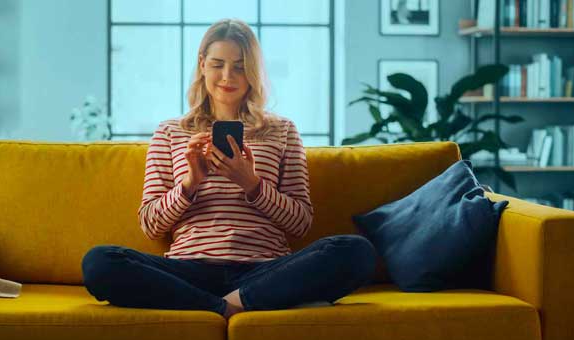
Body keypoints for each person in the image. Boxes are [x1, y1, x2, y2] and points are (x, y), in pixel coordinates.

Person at [82, 19, 375, 320]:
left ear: (253, 71)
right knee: (99, 262)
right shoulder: (170, 132)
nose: (227, 76)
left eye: (239, 66)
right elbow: (151, 224)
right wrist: (190, 184)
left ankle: (223, 303)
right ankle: (229, 307)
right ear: (202, 65)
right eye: (218, 64)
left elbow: (300, 223)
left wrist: (252, 185)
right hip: (189, 269)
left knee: (356, 251)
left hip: (264, 270)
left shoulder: (282, 130)